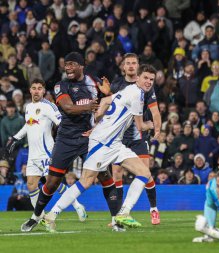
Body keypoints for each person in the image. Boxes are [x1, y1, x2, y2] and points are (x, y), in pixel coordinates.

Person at [40, 64, 157, 232]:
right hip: (103, 143)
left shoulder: (129, 89)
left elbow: (107, 101)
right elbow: (140, 126)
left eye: (151, 80)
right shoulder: (138, 95)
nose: (148, 82)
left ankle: (123, 213)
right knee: (86, 181)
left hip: (114, 143)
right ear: (137, 77)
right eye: (145, 78)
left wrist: (97, 121)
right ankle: (51, 215)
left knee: (145, 173)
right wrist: (152, 125)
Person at [20, 52, 118, 232]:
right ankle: (35, 217)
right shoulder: (61, 85)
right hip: (66, 138)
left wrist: (109, 94)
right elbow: (67, 108)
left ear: (82, 65)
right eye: (66, 64)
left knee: (104, 176)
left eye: (72, 64)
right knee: (51, 183)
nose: (68, 67)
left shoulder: (93, 81)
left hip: (89, 138)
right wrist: (88, 107)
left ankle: (116, 220)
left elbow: (112, 104)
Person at [6, 79, 86, 222]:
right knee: (31, 184)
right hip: (33, 155)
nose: (36, 91)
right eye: (34, 88)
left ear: (43, 91)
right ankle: (40, 216)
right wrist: (15, 138)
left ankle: (77, 205)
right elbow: (28, 125)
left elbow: (62, 122)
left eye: (39, 88)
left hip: (47, 152)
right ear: (30, 90)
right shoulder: (28, 106)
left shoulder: (49, 106)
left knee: (52, 183)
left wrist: (67, 141)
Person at [100, 53, 162, 225]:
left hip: (139, 138)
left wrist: (157, 127)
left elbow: (155, 111)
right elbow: (112, 106)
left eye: (134, 63)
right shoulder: (117, 84)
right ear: (123, 66)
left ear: (138, 65)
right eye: (128, 63)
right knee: (117, 174)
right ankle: (118, 215)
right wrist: (107, 94)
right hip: (119, 138)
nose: (131, 66)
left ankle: (154, 210)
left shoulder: (146, 86)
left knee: (146, 174)